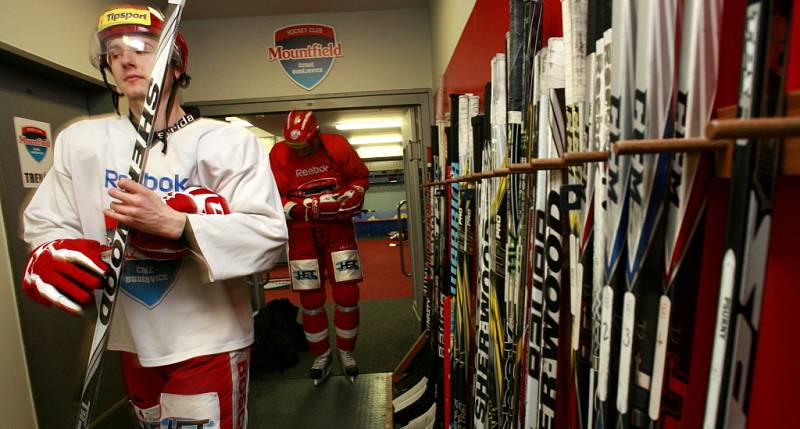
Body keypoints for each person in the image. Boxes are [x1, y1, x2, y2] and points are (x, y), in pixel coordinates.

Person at [20, 4, 287, 428]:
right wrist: (50, 251)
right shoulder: (80, 142)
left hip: (207, 339)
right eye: (114, 52)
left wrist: (178, 225)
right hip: (130, 338)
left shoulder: (226, 142)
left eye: (144, 48)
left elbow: (268, 236)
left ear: (178, 68)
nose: (126, 58)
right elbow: (49, 220)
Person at [269, 110, 369, 385]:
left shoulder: (337, 146)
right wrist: (301, 209)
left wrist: (353, 195)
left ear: (315, 136)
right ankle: (321, 355)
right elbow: (272, 195)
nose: (299, 151)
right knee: (311, 300)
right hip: (302, 236)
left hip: (338, 230)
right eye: (294, 147)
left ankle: (347, 353)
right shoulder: (278, 154)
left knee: (347, 293)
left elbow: (360, 178)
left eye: (303, 146)